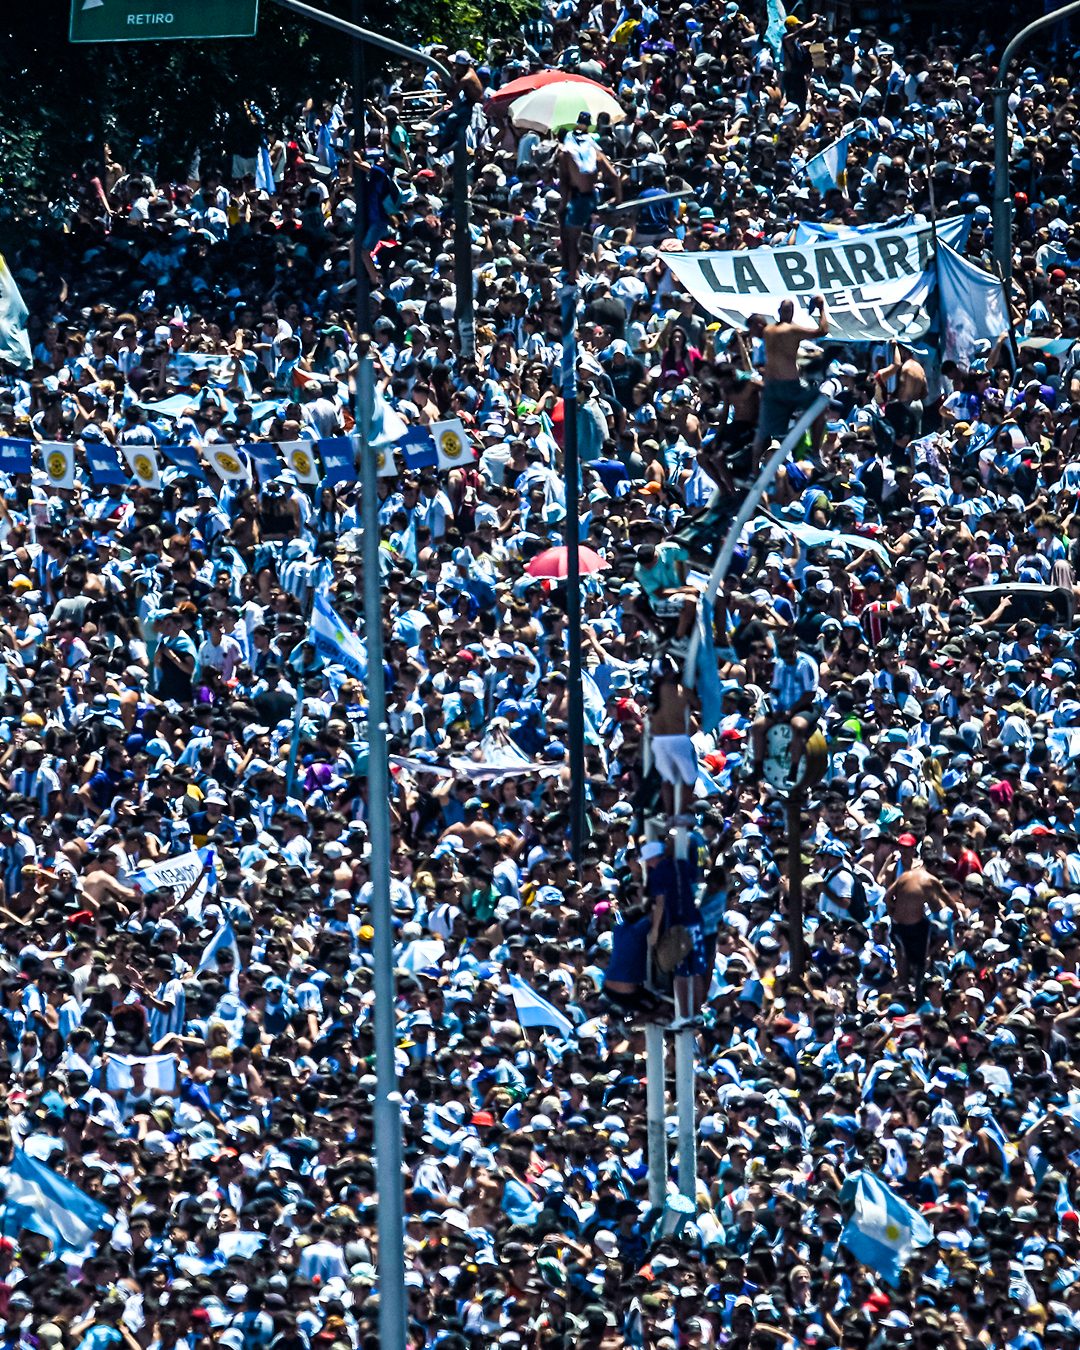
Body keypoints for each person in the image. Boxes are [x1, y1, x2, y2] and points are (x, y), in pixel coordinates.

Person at [558, 111, 622, 280]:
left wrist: (563, 206)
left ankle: (572, 276)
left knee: (571, 240)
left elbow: (565, 185)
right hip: (593, 197)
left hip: (579, 200)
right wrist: (618, 198)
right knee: (595, 237)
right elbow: (614, 177)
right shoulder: (595, 152)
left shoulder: (565, 154)